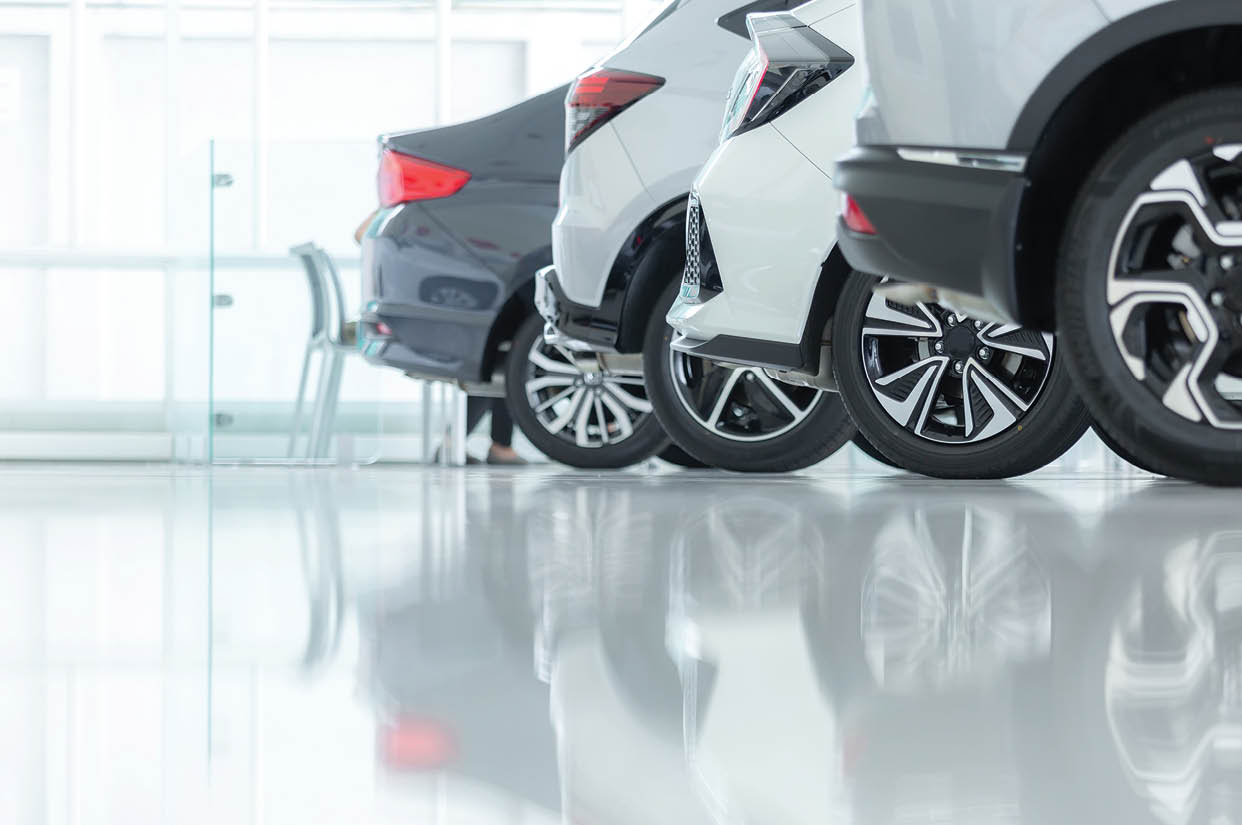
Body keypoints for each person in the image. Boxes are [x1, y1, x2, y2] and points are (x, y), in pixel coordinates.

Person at [355, 208, 526, 466]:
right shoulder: (412, 211)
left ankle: (493, 445)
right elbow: (360, 234)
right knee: (500, 348)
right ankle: (490, 445)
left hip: (427, 309)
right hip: (415, 317)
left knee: (506, 341)